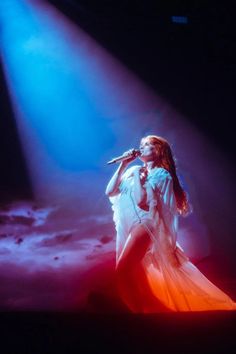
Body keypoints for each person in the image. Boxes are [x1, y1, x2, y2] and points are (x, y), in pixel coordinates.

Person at [105, 135, 236, 313]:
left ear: (158, 151)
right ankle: (139, 312)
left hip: (146, 223)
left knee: (123, 270)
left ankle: (137, 316)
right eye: (141, 145)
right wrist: (124, 165)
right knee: (130, 274)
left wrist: (137, 175)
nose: (141, 148)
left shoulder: (161, 174)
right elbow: (110, 191)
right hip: (133, 223)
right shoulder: (133, 170)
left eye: (147, 146)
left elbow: (141, 200)